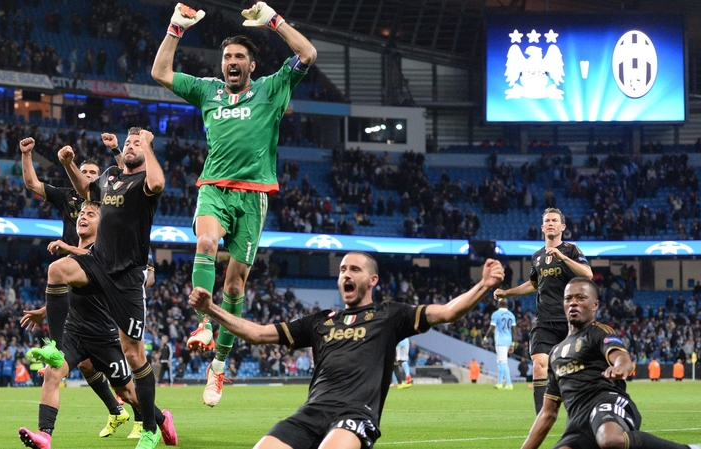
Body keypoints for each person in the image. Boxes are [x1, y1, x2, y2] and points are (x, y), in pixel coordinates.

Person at [151, 1, 317, 407]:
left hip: (255, 195)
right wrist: (175, 28)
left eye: (239, 56)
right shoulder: (208, 89)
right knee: (206, 244)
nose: (231, 61)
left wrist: (273, 21)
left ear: (251, 65)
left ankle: (219, 368)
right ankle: (204, 325)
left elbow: (308, 54)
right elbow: (160, 73)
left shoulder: (272, 88)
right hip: (214, 188)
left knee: (235, 285)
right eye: (227, 56)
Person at [189, 252, 504, 448]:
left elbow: (447, 312)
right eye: (342, 269)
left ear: (372, 279)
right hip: (311, 412)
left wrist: (483, 286)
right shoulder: (318, 321)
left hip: (355, 414)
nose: (346, 274)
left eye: (354, 269)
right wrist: (212, 308)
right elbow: (256, 334)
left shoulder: (391, 314)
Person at [30, 127, 165, 449]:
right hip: (99, 263)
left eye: (137, 143)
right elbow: (87, 190)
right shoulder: (111, 177)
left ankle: (151, 426)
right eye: (129, 142)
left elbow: (158, 183)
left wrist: (148, 146)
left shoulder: (145, 183)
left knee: (134, 355)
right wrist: (67, 164)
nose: (132, 146)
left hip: (128, 277)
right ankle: (56, 346)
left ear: (145, 150)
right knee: (57, 270)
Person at [19, 202, 176, 449]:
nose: (83, 216)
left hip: (104, 336)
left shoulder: (106, 254)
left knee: (128, 393)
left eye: (91, 214)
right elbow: (67, 291)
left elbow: (96, 264)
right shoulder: (75, 259)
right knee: (52, 372)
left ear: (103, 224)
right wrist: (43, 311)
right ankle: (45, 435)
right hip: (74, 332)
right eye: (81, 213)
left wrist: (69, 248)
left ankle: (161, 418)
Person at [20, 136, 128, 436]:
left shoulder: (109, 204)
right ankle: (117, 410)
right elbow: (32, 184)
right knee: (81, 362)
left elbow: (128, 176)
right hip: (76, 273)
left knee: (118, 359)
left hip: (105, 275)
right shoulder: (69, 198)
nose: (90, 178)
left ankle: (147, 412)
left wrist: (118, 151)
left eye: (95, 174)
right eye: (86, 172)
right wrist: (26, 154)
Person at [520, 278, 701, 449]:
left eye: (581, 298)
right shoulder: (555, 353)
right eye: (568, 298)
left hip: (608, 403)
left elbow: (622, 357)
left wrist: (620, 367)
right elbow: (548, 413)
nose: (573, 302)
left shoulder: (599, 332)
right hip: (577, 421)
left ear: (595, 305)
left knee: (610, 439)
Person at [494, 207, 592, 414]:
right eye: (547, 220)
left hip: (569, 321)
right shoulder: (537, 257)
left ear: (562, 226)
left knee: (574, 370)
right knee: (539, 365)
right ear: (542, 227)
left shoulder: (572, 250)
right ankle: (543, 417)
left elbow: (588, 274)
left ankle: (582, 411)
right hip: (544, 320)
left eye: (554, 220)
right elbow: (533, 284)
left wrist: (563, 257)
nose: (550, 223)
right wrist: (508, 293)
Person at [483, 298, 516, 390]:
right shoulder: (511, 315)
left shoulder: (496, 314)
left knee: (503, 362)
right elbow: (514, 330)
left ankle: (509, 384)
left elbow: (491, 328)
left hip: (500, 340)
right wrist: (513, 344)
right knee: (500, 362)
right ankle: (499, 383)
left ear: (498, 304)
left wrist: (485, 338)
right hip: (508, 340)